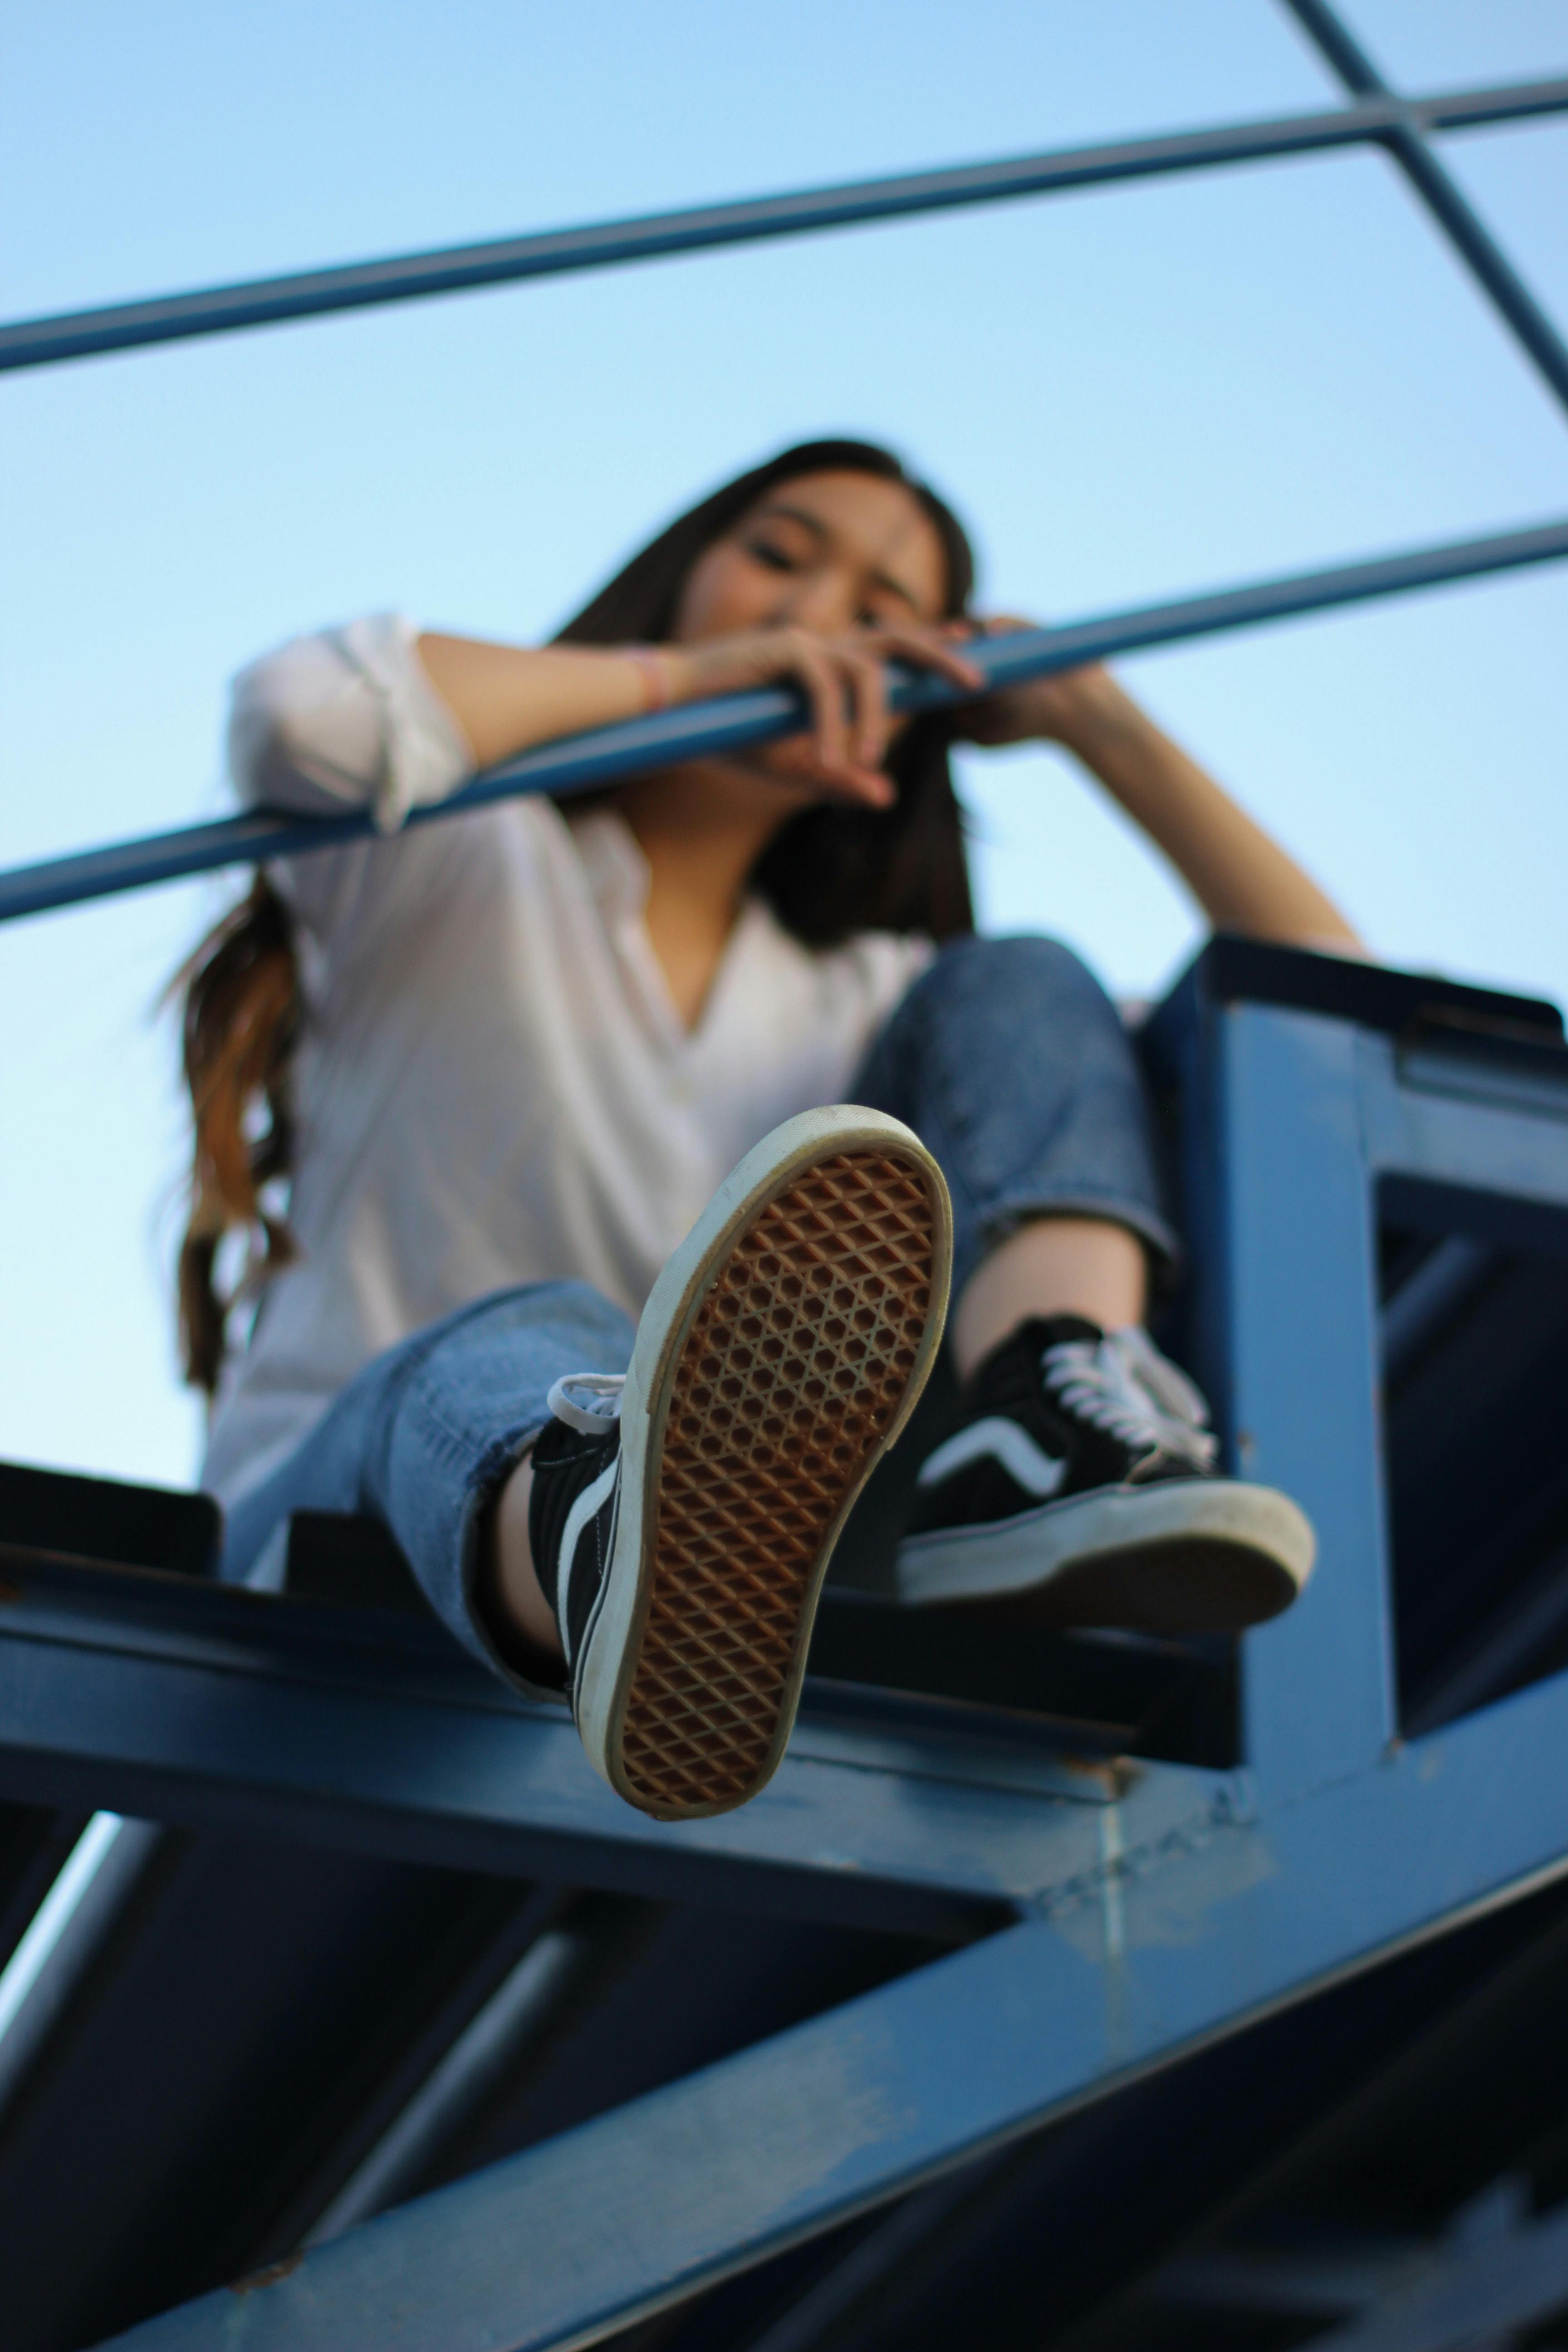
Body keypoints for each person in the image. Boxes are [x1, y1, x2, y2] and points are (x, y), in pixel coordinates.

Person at [181, 438, 1361, 1824]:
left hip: (758, 1592)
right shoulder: (461, 852)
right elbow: (301, 716)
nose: (817, 623)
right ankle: (613, 1536)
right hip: (358, 1501)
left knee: (1027, 978)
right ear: (685, 579)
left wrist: (1106, 726)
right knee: (526, 1337)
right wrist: (679, 688)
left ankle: (1051, 1419)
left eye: (878, 615)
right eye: (781, 559)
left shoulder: (857, 1000)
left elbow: (1327, 1029)